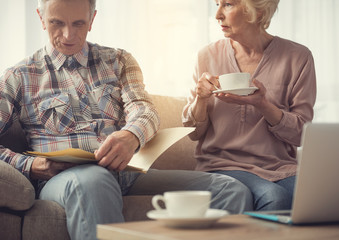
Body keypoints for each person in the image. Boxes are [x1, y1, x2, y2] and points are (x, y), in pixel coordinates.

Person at [0, 0, 253, 239]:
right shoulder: (18, 76)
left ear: (92, 19)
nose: (68, 35)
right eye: (57, 23)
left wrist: (131, 136)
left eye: (78, 23)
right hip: (64, 178)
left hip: (127, 174)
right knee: (94, 181)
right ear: (41, 19)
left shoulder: (118, 60)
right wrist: (29, 165)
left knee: (231, 190)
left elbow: (145, 110)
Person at [182, 0, 316, 211]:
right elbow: (194, 133)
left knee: (323, 197)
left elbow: (302, 134)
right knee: (274, 197)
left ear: (258, 10)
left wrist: (263, 105)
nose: (217, 14)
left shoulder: (298, 57)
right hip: (221, 165)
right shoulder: (207, 56)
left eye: (227, 4)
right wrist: (201, 98)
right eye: (216, 4)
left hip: (281, 168)